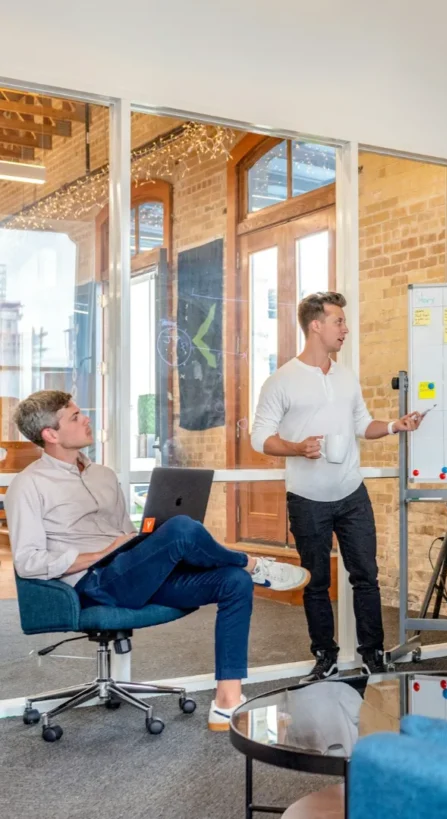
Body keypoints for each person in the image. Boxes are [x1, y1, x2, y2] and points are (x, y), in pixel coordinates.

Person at [6, 390, 310, 732]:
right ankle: (252, 564)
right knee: (182, 529)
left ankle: (227, 703)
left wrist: (142, 542)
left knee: (232, 582)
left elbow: (125, 534)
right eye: (75, 417)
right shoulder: (28, 485)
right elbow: (29, 562)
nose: (86, 419)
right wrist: (101, 553)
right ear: (50, 434)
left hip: (131, 572)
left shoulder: (103, 475)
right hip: (95, 583)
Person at [250, 291, 423, 681]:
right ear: (316, 325)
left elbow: (363, 424)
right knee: (315, 579)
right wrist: (296, 447)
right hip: (308, 499)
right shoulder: (282, 380)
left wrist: (396, 425)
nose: (345, 329)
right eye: (338, 321)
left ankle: (372, 653)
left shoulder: (346, 378)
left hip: (351, 494)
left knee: (366, 575)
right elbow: (259, 438)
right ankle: (325, 655)